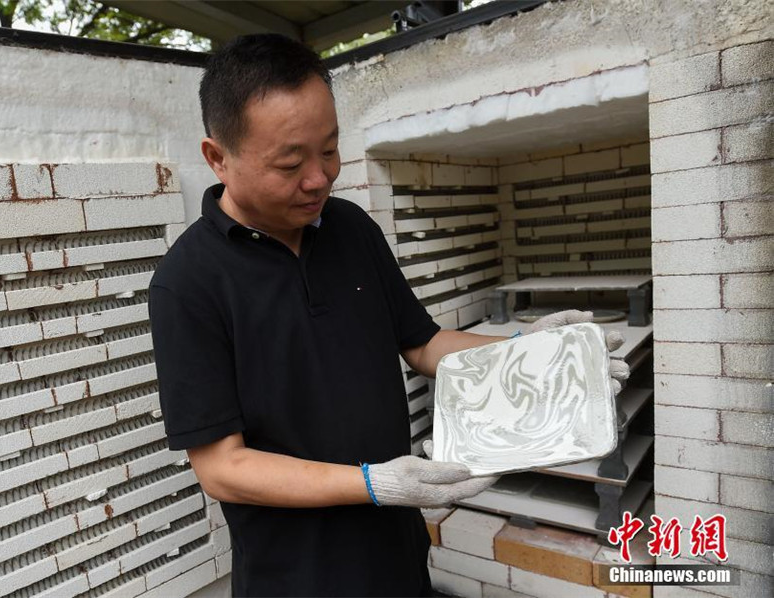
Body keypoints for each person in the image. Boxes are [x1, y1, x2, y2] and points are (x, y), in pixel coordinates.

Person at [148, 33, 629, 597]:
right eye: (289, 162)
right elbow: (222, 468)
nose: (319, 177)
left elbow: (422, 344)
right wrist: (374, 483)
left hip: (397, 554)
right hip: (296, 577)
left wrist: (527, 351)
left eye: (329, 149)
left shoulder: (352, 228)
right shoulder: (187, 284)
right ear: (217, 158)